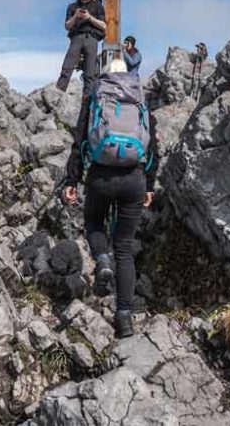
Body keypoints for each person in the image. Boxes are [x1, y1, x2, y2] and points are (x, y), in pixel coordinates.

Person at [61, 58, 158, 339]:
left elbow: (80, 141)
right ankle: (124, 319)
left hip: (101, 177)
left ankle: (102, 260)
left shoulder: (96, 96)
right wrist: (149, 185)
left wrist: (72, 180)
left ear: (105, 75)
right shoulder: (138, 98)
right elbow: (153, 145)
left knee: (93, 222)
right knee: (125, 248)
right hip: (133, 179)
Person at [56, 0, 106, 93]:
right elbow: (67, 26)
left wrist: (89, 18)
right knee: (67, 68)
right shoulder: (72, 7)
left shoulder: (98, 7)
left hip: (92, 38)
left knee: (90, 73)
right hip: (76, 38)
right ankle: (58, 95)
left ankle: (87, 102)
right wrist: (75, 16)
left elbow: (104, 25)